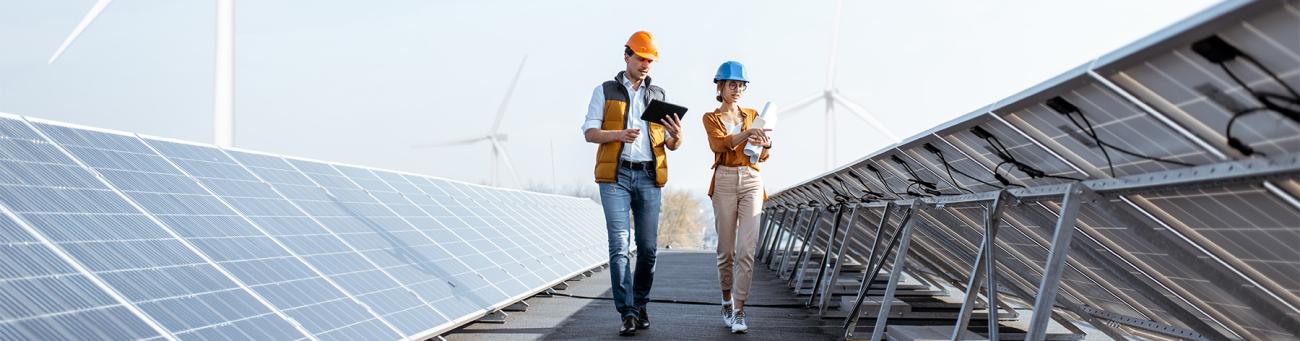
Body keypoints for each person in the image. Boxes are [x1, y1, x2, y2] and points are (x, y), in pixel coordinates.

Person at [580, 30, 684, 336]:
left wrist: (677, 136)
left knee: (649, 249)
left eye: (650, 59)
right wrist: (617, 135)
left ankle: (640, 305)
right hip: (616, 176)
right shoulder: (605, 91)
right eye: (641, 58)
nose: (646, 64)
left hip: (650, 176)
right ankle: (626, 312)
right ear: (627, 56)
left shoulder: (659, 95)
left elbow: (670, 143)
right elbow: (589, 132)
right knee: (620, 246)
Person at [702, 60, 770, 334]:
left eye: (741, 85)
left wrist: (765, 144)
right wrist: (746, 134)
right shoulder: (711, 117)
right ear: (720, 87)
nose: (737, 89)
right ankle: (726, 300)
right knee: (726, 251)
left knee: (746, 251)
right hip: (725, 180)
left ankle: (740, 310)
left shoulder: (753, 114)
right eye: (732, 84)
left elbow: (763, 155)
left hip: (752, 179)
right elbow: (718, 144)